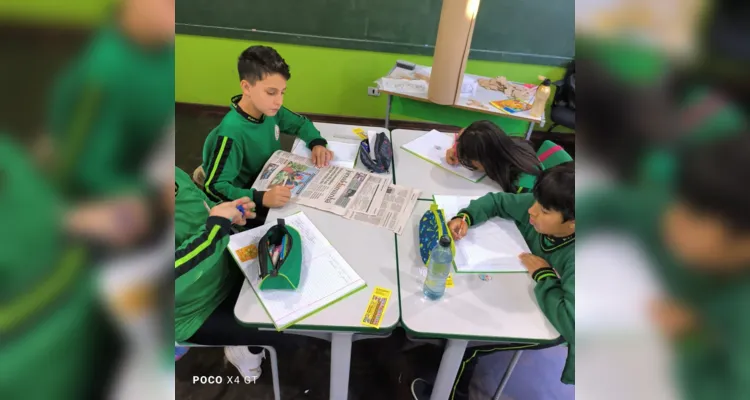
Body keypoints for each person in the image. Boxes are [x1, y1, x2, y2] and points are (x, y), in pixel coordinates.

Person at [578, 134, 750, 400]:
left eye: (693, 217)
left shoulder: (740, 306)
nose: (670, 220)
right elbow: (603, 206)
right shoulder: (671, 211)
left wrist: (692, 339)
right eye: (679, 203)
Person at [411, 163, 575, 400]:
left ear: (572, 224)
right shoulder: (544, 208)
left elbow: (573, 323)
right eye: (535, 202)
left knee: (467, 344)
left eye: (544, 210)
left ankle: (453, 393)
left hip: (555, 325)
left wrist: (544, 276)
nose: (532, 210)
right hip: (523, 295)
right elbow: (498, 202)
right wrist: (465, 217)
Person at [174, 167, 314, 380]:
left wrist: (227, 212)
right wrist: (217, 228)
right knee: (298, 335)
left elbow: (200, 205)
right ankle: (242, 349)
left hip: (226, 264)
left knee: (303, 299)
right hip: (197, 311)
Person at [201, 45, 333, 212]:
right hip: (249, 200)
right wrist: (260, 197)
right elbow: (214, 188)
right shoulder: (231, 132)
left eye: (282, 92)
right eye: (271, 92)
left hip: (271, 178)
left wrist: (316, 142)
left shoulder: (269, 110)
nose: (279, 101)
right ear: (247, 87)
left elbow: (301, 123)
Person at [445, 120, 544, 193]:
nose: (470, 163)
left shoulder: (521, 185)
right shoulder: (505, 145)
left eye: (470, 160)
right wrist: (456, 149)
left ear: (483, 159)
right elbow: (465, 130)